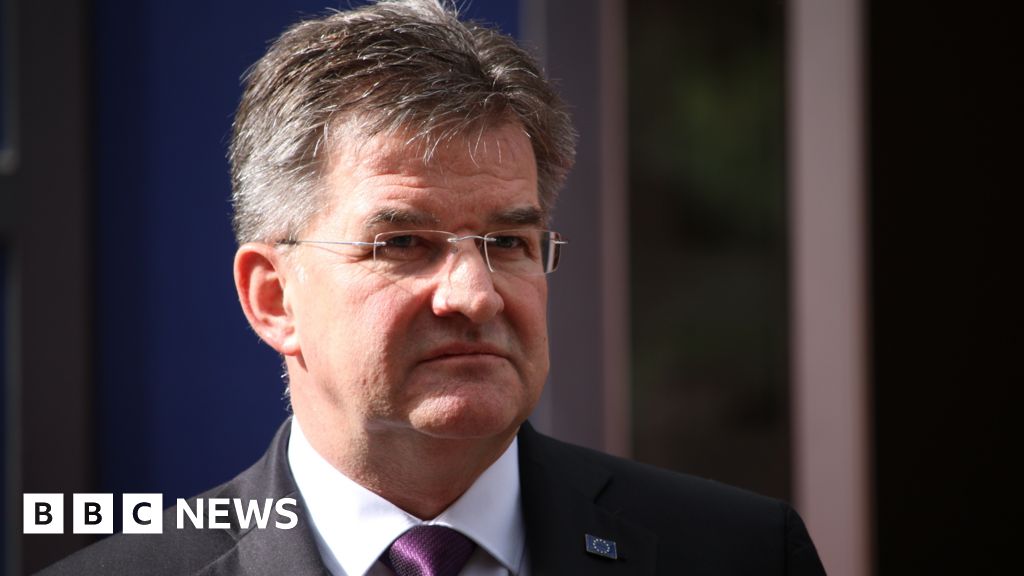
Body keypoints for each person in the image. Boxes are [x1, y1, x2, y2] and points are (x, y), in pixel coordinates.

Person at [39, 1, 825, 574]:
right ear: (273, 298)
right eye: (404, 244)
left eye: (508, 243)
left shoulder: (740, 555)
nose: (475, 296)